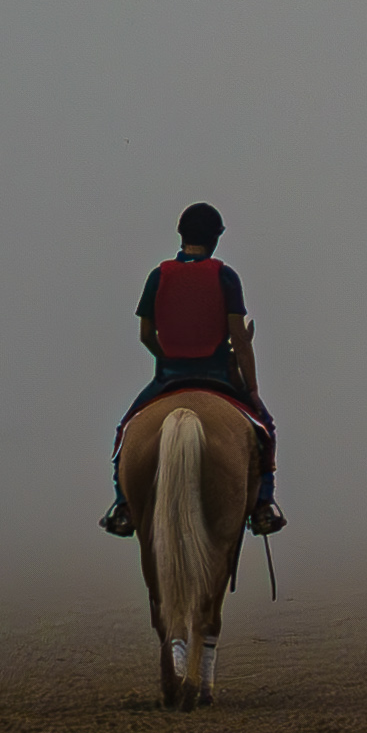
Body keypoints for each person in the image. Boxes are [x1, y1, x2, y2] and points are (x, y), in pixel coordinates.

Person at [98, 199, 287, 537]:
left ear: (181, 235)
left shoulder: (158, 276)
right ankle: (262, 506)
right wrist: (253, 391)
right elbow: (239, 341)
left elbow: (145, 334)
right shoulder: (226, 277)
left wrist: (166, 358)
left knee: (125, 432)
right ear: (215, 238)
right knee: (265, 430)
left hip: (169, 376)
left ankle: (123, 505)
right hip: (217, 375)